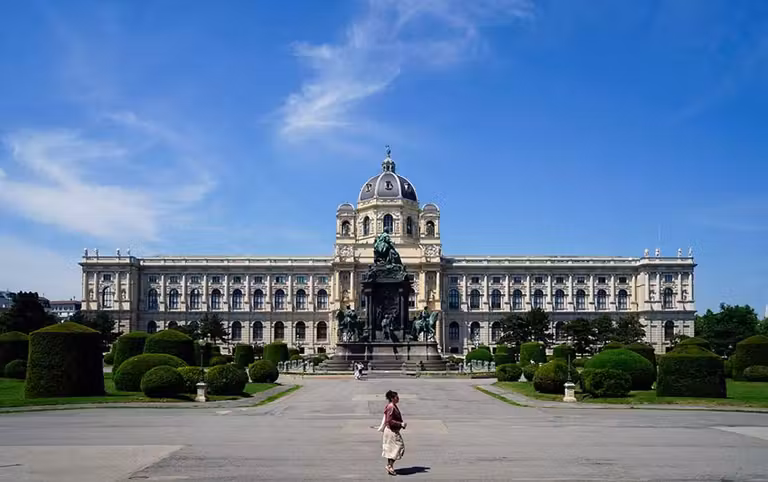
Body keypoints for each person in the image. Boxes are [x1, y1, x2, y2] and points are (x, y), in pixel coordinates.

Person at [381, 390, 406, 475]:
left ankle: (390, 466)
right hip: (391, 431)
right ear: (392, 398)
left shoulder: (392, 406)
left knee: (391, 449)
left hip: (392, 430)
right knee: (399, 447)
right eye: (396, 397)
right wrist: (400, 424)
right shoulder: (391, 407)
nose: (398, 398)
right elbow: (390, 421)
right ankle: (389, 465)